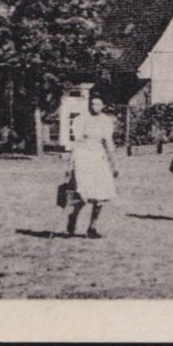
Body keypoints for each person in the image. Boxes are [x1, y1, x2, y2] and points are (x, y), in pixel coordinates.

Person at [65, 92, 119, 238]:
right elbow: (75, 144)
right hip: (83, 159)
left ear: (103, 106)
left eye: (98, 104)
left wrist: (114, 164)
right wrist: (70, 165)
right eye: (92, 103)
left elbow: (109, 143)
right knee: (83, 196)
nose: (94, 106)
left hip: (99, 160)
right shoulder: (81, 120)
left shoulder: (106, 121)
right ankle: (73, 217)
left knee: (100, 197)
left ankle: (92, 227)